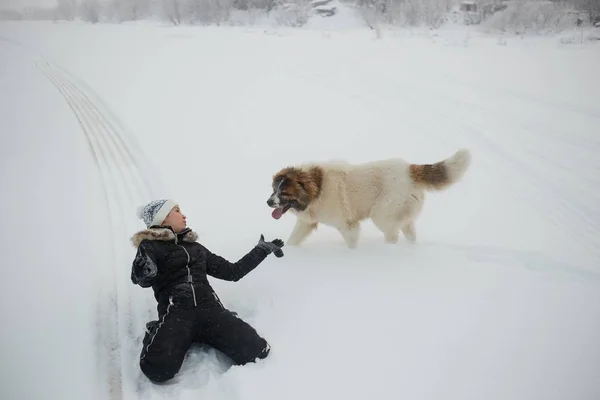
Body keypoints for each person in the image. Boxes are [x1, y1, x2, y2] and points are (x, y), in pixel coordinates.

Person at [130, 199, 285, 383]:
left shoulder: (197, 249)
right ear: (162, 220)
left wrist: (261, 250)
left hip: (210, 310)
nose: (184, 215)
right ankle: (156, 330)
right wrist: (142, 272)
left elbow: (232, 272)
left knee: (258, 351)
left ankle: (209, 331)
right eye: (177, 211)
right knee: (157, 370)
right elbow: (143, 278)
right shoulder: (150, 246)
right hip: (178, 313)